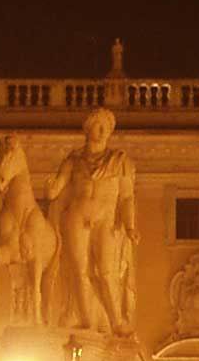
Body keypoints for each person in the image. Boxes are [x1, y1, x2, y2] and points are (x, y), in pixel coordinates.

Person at [46, 108, 138, 333]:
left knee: (106, 272)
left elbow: (126, 197)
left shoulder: (119, 161)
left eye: (107, 127)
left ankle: (116, 320)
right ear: (88, 128)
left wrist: (130, 226)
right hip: (76, 218)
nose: (103, 130)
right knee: (79, 270)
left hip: (105, 220)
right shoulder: (73, 160)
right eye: (99, 125)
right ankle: (86, 320)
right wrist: (50, 189)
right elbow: (55, 190)